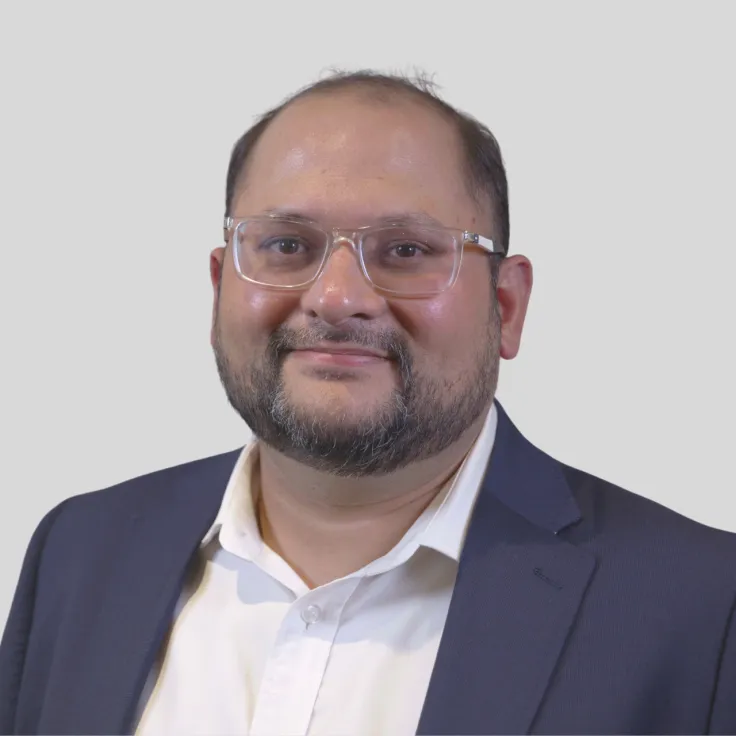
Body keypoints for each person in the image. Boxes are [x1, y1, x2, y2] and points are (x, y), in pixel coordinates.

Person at [1, 69, 735, 736]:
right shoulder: (80, 550)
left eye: (406, 250)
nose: (336, 297)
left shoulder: (702, 607)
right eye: (287, 245)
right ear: (220, 286)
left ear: (506, 306)